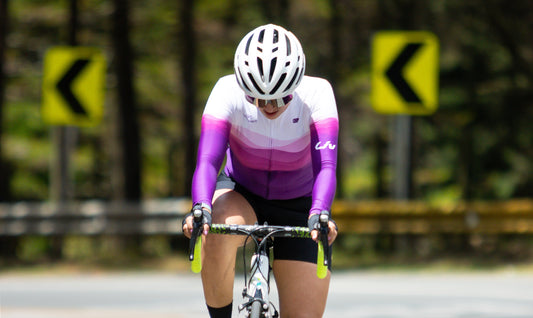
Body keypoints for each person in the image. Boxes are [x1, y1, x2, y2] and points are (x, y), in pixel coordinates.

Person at [182, 23, 339, 318]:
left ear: (296, 85)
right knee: (213, 229)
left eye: (280, 98)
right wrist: (200, 206)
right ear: (244, 87)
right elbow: (207, 160)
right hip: (243, 192)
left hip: (300, 204)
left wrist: (320, 212)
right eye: (257, 98)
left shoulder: (318, 93)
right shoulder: (226, 90)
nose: (268, 106)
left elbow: (326, 167)